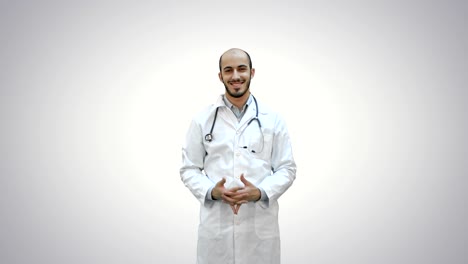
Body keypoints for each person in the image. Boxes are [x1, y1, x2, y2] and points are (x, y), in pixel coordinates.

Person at [180, 48, 297, 264]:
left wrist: (260, 192)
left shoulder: (273, 119)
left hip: (259, 230)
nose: (235, 76)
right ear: (220, 76)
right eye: (228, 70)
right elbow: (189, 169)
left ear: (252, 73)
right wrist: (211, 191)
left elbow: (286, 168)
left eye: (241, 69)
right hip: (217, 228)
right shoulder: (201, 120)